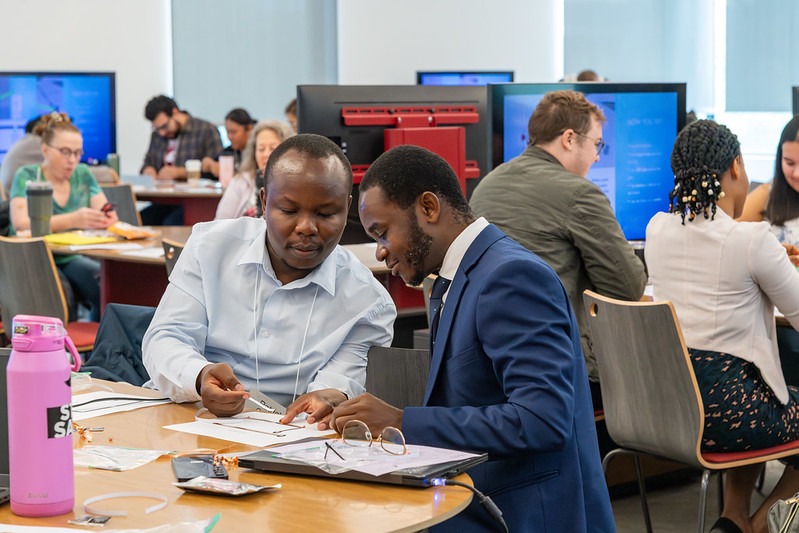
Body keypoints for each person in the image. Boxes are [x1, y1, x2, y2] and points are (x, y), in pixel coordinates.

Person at [313, 144, 614, 532]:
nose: (381, 251)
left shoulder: (511, 277)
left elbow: (542, 419)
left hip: (522, 512)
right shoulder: (461, 276)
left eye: (383, 232)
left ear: (429, 207)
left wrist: (403, 422)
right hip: (480, 496)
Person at [143, 133, 396, 419]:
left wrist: (332, 395)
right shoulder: (210, 247)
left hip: (285, 435)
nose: (306, 227)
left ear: (347, 208)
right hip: (187, 414)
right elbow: (164, 338)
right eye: (288, 210)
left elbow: (338, 384)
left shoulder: (369, 304)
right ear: (264, 202)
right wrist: (199, 376)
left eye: (326, 214)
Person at [646, 119, 799, 533]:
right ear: (735, 167)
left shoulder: (656, 229)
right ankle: (756, 524)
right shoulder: (751, 240)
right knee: (756, 392)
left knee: (746, 386)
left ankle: (731, 519)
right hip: (733, 415)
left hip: (673, 411)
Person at [470, 89, 646, 409]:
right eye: (597, 144)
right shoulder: (580, 193)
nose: (596, 156)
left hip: (486, 369)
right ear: (568, 138)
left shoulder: (487, 184)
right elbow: (628, 287)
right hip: (559, 375)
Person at [8, 112, 118, 322]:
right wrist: (73, 220)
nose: (72, 160)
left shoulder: (83, 174)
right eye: (65, 152)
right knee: (59, 294)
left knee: (105, 285)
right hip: (32, 257)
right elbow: (21, 223)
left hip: (68, 256)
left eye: (77, 153)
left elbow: (108, 214)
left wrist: (105, 219)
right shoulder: (28, 175)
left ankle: (100, 347)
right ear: (45, 150)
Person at [739, 115, 799, 259]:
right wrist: (769, 255)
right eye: (789, 163)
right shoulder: (767, 194)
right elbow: (727, 237)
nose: (797, 174)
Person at [214, 120, 294, 220]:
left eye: (273, 148)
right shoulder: (241, 180)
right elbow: (220, 222)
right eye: (261, 149)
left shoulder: (295, 184)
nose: (266, 154)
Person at [140, 95, 223, 181]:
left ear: (175, 112)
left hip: (193, 193)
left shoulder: (206, 130)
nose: (162, 133)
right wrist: (148, 170)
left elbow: (217, 170)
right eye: (157, 129)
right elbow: (147, 163)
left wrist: (180, 173)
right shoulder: (157, 136)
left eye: (165, 126)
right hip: (157, 192)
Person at [202, 108, 256, 178]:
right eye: (227, 132)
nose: (229, 137)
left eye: (233, 132)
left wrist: (225, 171)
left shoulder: (257, 152)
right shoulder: (229, 151)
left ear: (249, 129)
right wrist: (210, 165)